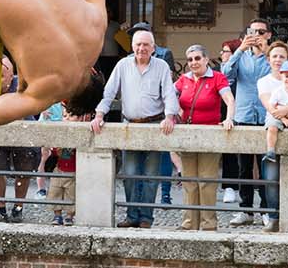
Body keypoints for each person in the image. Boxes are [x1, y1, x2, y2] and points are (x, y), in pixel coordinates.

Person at [91, 27, 179, 229]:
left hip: (155, 125)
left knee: (150, 176)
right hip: (129, 125)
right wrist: (99, 114)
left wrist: (169, 117)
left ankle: (146, 218)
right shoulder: (122, 65)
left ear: (153, 48)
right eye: (138, 44)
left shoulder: (162, 66)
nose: (142, 48)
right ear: (132, 47)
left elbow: (168, 94)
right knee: (129, 174)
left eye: (146, 45)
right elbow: (109, 92)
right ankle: (132, 215)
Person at [170, 45, 232, 232]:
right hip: (188, 134)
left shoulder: (217, 78)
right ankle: (189, 223)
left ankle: (208, 224)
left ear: (206, 59)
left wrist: (229, 118)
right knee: (189, 181)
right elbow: (169, 96)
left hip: (209, 135)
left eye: (197, 58)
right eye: (190, 60)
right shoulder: (184, 79)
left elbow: (229, 99)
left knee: (206, 181)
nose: (194, 63)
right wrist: (171, 115)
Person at [222, 19, 273, 225]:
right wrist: (239, 50)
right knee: (243, 167)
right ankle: (245, 210)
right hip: (243, 115)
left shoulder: (272, 55)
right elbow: (226, 75)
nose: (257, 35)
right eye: (253, 31)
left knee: (265, 167)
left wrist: (267, 51)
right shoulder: (241, 56)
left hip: (266, 116)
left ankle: (265, 210)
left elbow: (278, 75)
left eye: (261, 31)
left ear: (268, 34)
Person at [0, 56, 41, 221]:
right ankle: (0, 210)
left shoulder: (23, 85)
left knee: (24, 170)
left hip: (23, 132)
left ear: (11, 74)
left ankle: (18, 208)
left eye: (2, 75)